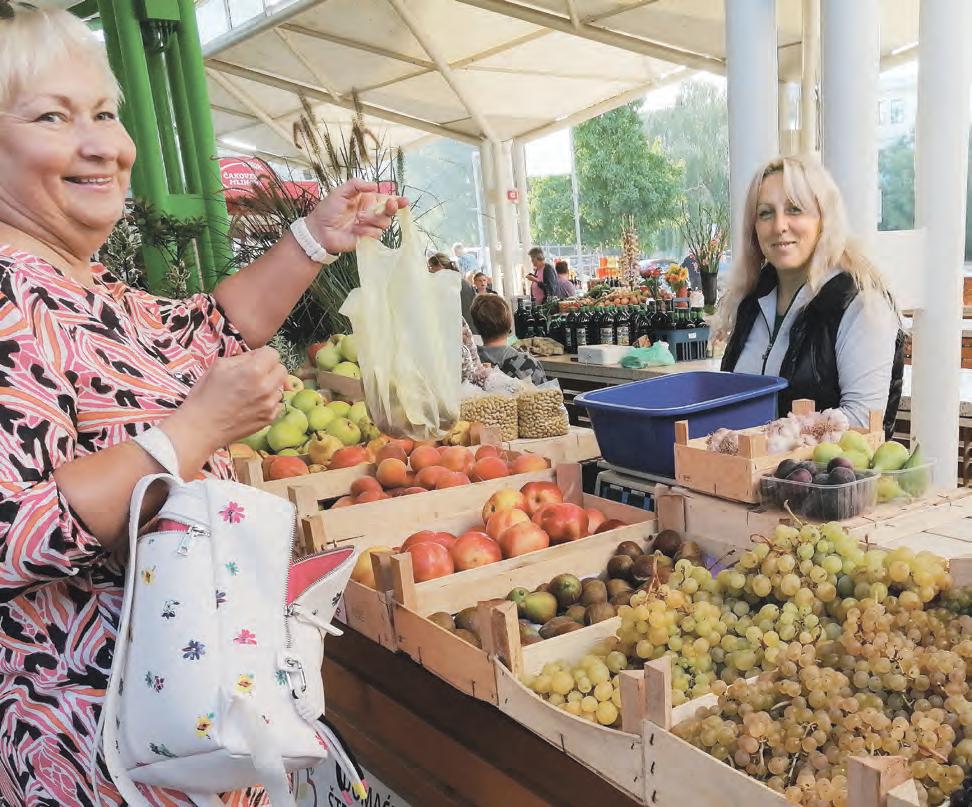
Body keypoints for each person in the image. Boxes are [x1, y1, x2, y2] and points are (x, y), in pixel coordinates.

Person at [0, 7, 408, 805]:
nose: (104, 145)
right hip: (97, 745)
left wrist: (315, 238)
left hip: (184, 721)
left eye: (105, 114)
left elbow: (204, 330)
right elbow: (11, 529)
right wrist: (191, 432)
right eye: (52, 116)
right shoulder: (10, 294)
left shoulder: (85, 285)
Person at [716, 155, 903, 436]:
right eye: (765, 213)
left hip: (823, 467)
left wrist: (768, 440)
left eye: (794, 209)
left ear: (824, 218)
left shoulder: (861, 303)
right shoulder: (751, 302)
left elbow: (862, 423)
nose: (779, 226)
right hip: (742, 465)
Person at [469, 295, 547, 385]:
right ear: (509, 323)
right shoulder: (528, 364)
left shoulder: (470, 366)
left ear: (476, 327)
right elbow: (548, 393)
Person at [428, 251, 478, 333]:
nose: (429, 271)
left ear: (440, 266)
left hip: (464, 332)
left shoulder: (451, 285)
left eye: (431, 267)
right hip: (470, 330)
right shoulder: (460, 281)